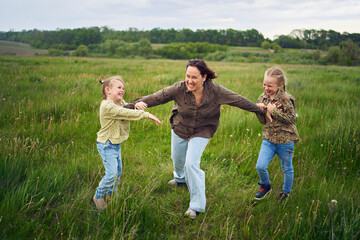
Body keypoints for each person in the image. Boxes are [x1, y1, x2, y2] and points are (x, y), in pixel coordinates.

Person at [127, 59, 267, 219]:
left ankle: (196, 206)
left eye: (194, 77)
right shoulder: (178, 88)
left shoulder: (216, 91)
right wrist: (131, 106)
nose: (190, 81)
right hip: (180, 127)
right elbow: (155, 98)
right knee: (178, 160)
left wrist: (259, 110)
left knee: (191, 164)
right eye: (188, 76)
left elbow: (238, 100)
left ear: (204, 77)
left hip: (203, 129)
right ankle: (180, 179)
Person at [93, 76, 161, 211]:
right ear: (108, 90)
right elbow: (125, 112)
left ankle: (111, 195)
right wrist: (146, 115)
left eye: (123, 88)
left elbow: (128, 106)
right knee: (111, 174)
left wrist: (136, 105)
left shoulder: (119, 102)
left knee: (118, 171)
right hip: (106, 144)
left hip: (115, 144)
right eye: (119, 88)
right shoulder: (107, 106)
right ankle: (98, 196)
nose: (122, 90)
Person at [254, 67, 300, 201]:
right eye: (264, 84)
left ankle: (286, 193)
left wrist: (274, 111)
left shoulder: (286, 99)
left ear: (280, 85)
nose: (266, 88)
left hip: (285, 140)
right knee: (260, 166)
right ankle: (265, 185)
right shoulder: (262, 98)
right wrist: (259, 111)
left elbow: (291, 119)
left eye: (270, 85)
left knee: (287, 168)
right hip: (268, 139)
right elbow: (263, 121)